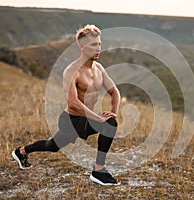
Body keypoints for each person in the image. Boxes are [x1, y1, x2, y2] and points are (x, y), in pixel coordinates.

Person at [12, 24, 121, 186]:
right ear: (82, 46)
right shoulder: (72, 71)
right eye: (93, 45)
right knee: (52, 146)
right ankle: (98, 171)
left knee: (110, 122)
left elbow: (114, 91)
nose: (98, 48)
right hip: (71, 119)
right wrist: (97, 118)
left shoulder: (99, 68)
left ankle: (21, 152)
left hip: (86, 118)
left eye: (99, 44)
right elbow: (74, 103)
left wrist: (113, 111)